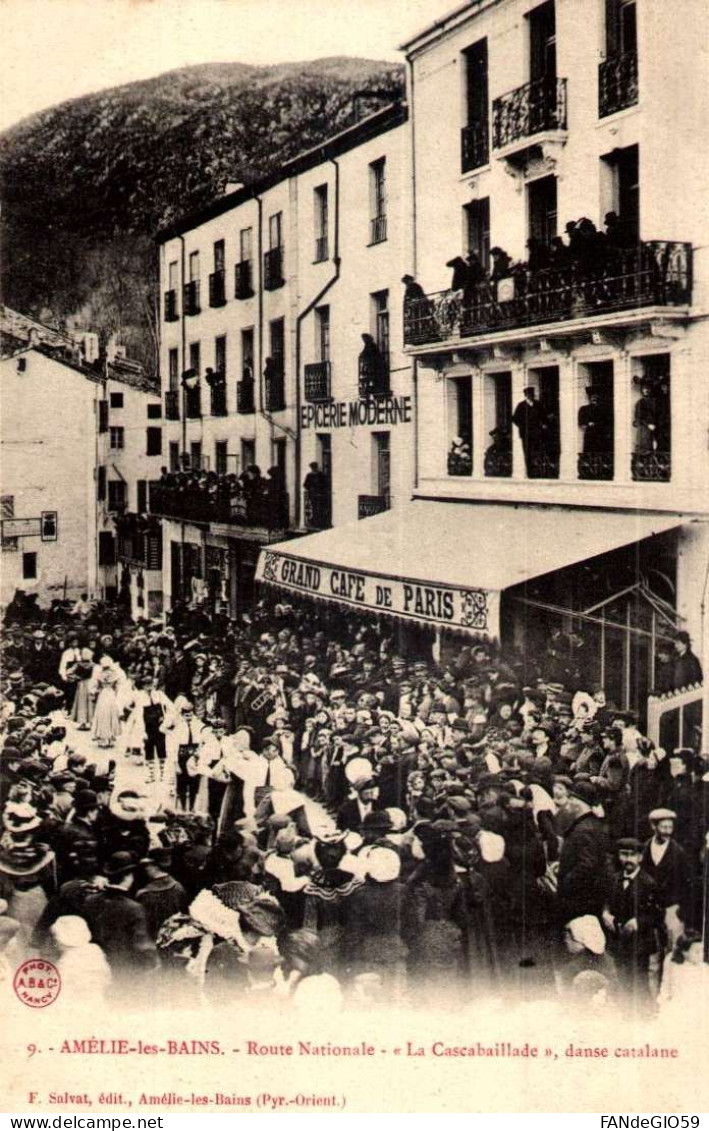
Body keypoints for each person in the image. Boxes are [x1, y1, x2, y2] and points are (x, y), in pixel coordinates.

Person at [602, 837, 663, 1012]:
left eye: (632, 855)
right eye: (623, 854)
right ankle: (624, 1015)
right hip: (617, 940)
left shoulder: (648, 883)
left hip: (639, 943)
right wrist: (605, 912)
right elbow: (606, 901)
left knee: (638, 981)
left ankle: (644, 1015)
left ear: (640, 858)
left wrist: (638, 922)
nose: (627, 859)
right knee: (621, 979)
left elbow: (656, 914)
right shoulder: (614, 879)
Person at [82, 852, 157, 974]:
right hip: (125, 970)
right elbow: (142, 946)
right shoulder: (134, 908)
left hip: (97, 965)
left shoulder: (90, 900)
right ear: (128, 877)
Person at [511, 386, 549, 478]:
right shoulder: (521, 406)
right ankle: (530, 473)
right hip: (526, 434)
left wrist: (544, 424)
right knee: (528, 452)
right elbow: (514, 418)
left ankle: (540, 471)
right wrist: (522, 426)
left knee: (538, 451)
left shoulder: (538, 404)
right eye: (529, 394)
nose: (531, 396)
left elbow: (544, 417)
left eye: (532, 394)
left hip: (537, 432)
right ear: (526, 395)